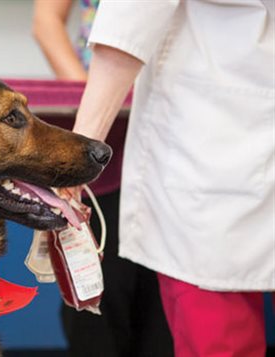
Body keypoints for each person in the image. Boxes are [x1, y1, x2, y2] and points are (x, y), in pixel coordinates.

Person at [72, 0, 274, 356]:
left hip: (212, 150)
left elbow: (126, 30)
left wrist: (72, 168)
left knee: (217, 336)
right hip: (221, 150)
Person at [33, 1, 173, 356]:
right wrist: (92, 98)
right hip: (103, 129)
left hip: (174, 125)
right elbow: (46, 21)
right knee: (97, 287)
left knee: (166, 300)